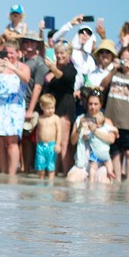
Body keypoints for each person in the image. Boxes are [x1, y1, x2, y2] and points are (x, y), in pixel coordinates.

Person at [0, 39, 31, 176]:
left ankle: (12, 174)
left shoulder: (23, 67)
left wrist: (13, 68)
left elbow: (26, 80)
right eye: (7, 52)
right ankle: (3, 172)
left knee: (12, 141)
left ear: (18, 53)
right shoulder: (0, 66)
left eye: (12, 53)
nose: (9, 56)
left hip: (14, 108)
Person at [101, 46, 129, 182]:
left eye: (128, 58)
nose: (125, 61)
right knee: (115, 153)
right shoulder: (115, 72)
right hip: (112, 120)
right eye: (123, 58)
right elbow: (103, 85)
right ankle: (118, 182)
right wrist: (113, 68)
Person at [67, 90, 118, 183]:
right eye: (90, 104)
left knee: (104, 182)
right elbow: (73, 141)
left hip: (100, 164)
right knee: (70, 181)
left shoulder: (106, 121)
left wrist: (95, 131)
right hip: (82, 164)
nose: (92, 107)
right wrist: (80, 128)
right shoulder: (80, 119)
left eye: (96, 104)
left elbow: (111, 139)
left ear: (101, 105)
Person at [43, 41, 77, 174]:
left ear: (69, 54)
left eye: (62, 53)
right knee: (52, 142)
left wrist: (53, 68)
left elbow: (63, 77)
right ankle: (53, 173)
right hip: (51, 106)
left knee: (63, 143)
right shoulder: (52, 67)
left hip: (64, 106)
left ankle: (66, 174)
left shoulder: (70, 68)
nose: (59, 55)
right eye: (57, 52)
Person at [21, 31, 48, 174]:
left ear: (37, 44)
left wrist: (30, 109)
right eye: (26, 41)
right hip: (19, 104)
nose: (29, 44)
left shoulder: (40, 63)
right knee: (22, 140)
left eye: (32, 41)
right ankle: (24, 169)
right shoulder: (21, 60)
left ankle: (30, 170)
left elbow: (38, 87)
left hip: (32, 106)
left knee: (31, 140)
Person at [34, 94, 61, 179]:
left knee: (51, 167)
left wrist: (58, 144)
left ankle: (50, 183)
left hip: (51, 146)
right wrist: (37, 141)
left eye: (52, 108)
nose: (51, 110)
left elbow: (59, 131)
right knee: (40, 166)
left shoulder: (55, 118)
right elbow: (38, 131)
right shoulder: (40, 118)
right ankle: (40, 182)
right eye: (48, 108)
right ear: (42, 107)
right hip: (41, 145)